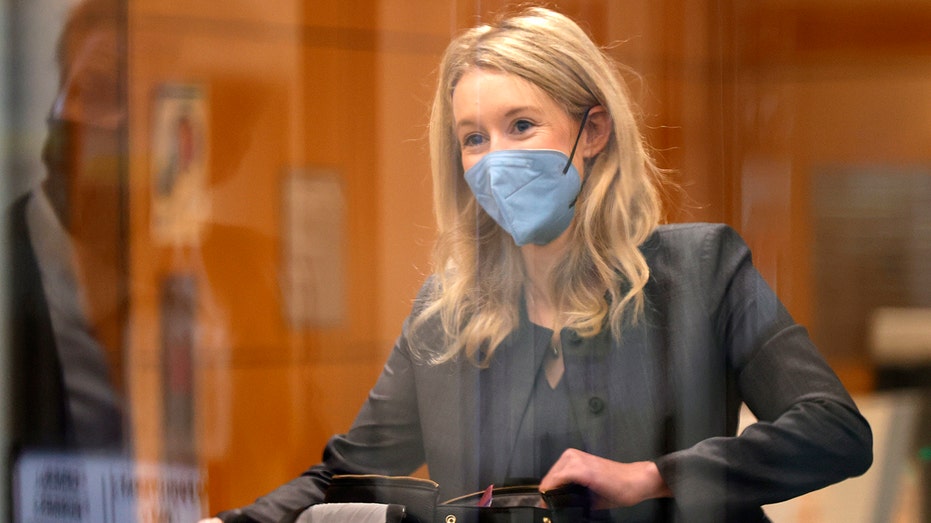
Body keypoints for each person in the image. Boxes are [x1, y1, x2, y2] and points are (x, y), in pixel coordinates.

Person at [202, 7, 871, 522]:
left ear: (595, 130)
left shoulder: (701, 270)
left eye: (520, 125)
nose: (494, 157)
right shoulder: (446, 315)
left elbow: (834, 430)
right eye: (472, 138)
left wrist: (652, 474)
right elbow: (346, 476)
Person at [7, 0, 125, 453]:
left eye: (99, 92)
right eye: (68, 87)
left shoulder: (220, 274)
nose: (66, 114)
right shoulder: (10, 259)